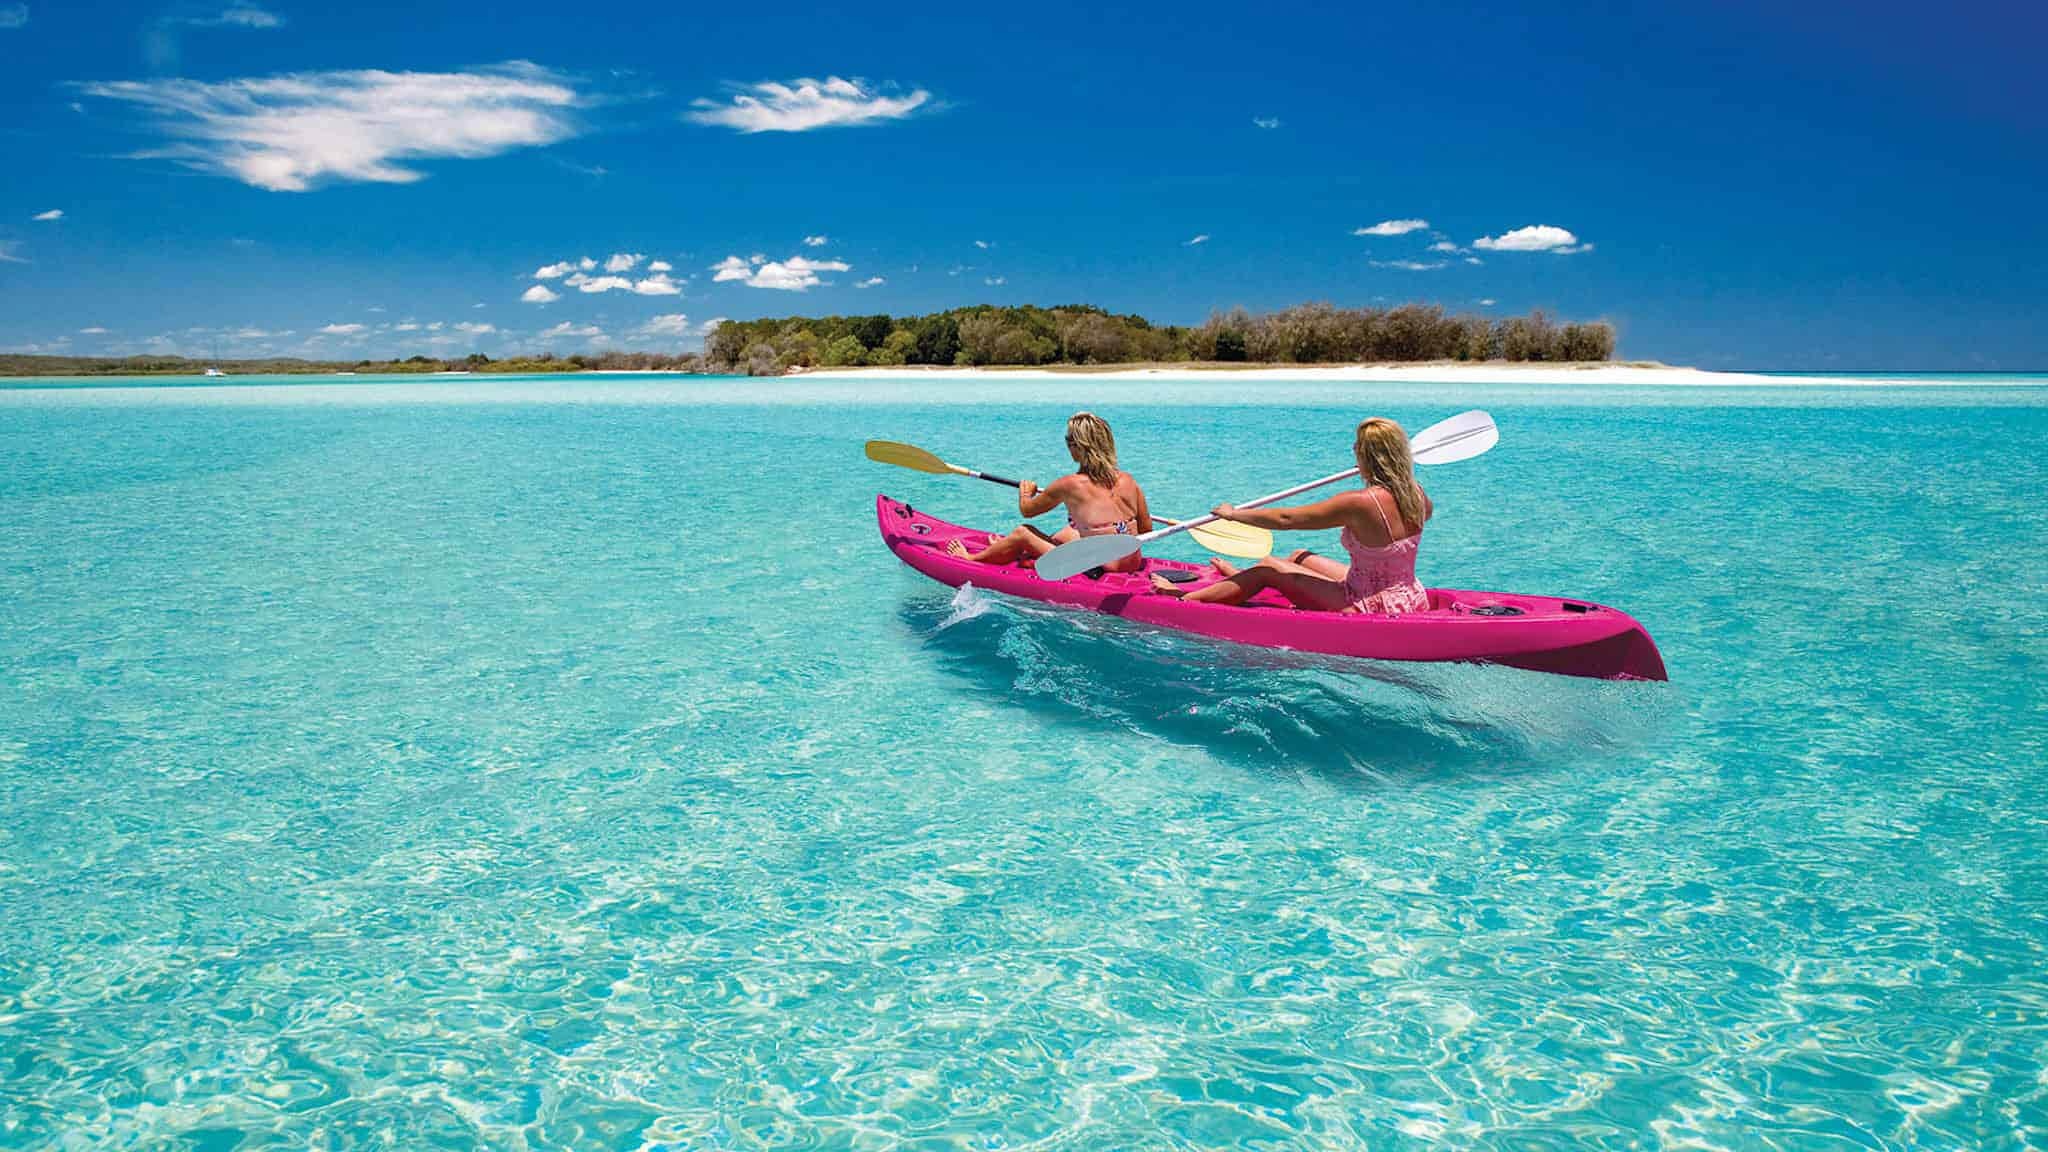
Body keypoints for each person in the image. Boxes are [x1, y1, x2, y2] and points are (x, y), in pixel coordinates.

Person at [1150, 417, 1432, 614]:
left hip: (1366, 603)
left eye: (1357, 447)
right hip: (1409, 595)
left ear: (1367, 456)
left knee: (1267, 568)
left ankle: (1182, 598)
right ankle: (1240, 581)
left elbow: (1288, 519)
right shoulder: (1418, 496)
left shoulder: (1359, 503)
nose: (1353, 451)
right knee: (1298, 556)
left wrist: (1234, 515)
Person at [945, 412, 1155, 574]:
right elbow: (1146, 529)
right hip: (1132, 562)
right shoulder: (1128, 480)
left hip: (1101, 565)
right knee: (1068, 533)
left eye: (1068, 441)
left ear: (1078, 447)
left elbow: (1027, 511)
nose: (1067, 446)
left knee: (1023, 532)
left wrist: (1025, 492)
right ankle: (1008, 549)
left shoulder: (1070, 485)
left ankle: (971, 559)